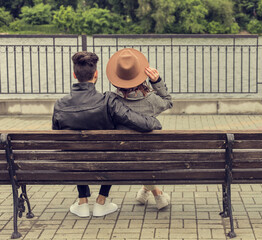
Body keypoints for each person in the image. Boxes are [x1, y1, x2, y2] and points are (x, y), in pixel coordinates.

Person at [52, 51, 162, 218]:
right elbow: (141, 122)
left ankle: (82, 202)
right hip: (106, 162)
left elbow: (58, 141)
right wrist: (156, 123)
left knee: (74, 151)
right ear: (96, 74)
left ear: (74, 75)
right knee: (112, 152)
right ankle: (101, 201)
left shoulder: (60, 105)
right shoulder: (108, 101)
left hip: (74, 166)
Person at [106, 48, 173, 210]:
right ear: (141, 75)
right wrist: (157, 81)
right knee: (144, 156)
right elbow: (168, 101)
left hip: (121, 159)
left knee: (137, 155)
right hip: (148, 158)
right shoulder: (152, 101)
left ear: (116, 78)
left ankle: (145, 191)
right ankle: (157, 194)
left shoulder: (110, 102)